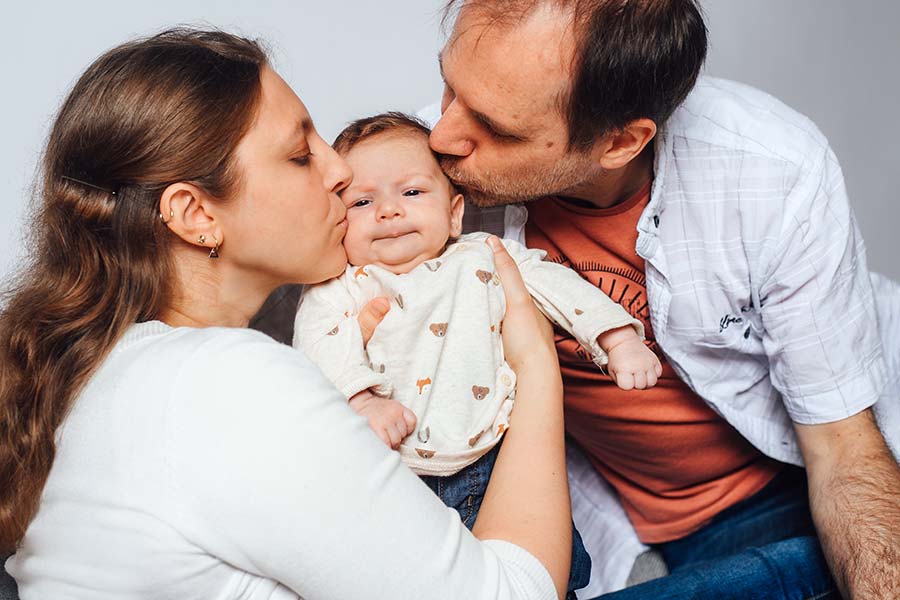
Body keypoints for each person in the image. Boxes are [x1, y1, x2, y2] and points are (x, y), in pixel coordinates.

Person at [0, 28, 577, 599]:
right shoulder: (225, 383)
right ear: (196, 214)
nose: (341, 173)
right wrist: (534, 363)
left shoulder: (106, 372)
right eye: (301, 156)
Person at [421, 0, 900, 598]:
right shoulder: (415, 178)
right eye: (449, 86)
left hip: (783, 483)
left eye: (496, 129)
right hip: (600, 510)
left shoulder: (772, 172)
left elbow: (841, 447)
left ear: (620, 142)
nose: (441, 135)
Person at [292, 112, 660, 598]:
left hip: (495, 458)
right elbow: (318, 342)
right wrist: (362, 401)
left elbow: (555, 285)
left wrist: (616, 338)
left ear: (453, 214)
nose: (388, 211)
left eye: (412, 192)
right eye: (362, 201)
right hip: (395, 474)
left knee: (542, 580)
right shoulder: (344, 285)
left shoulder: (483, 254)